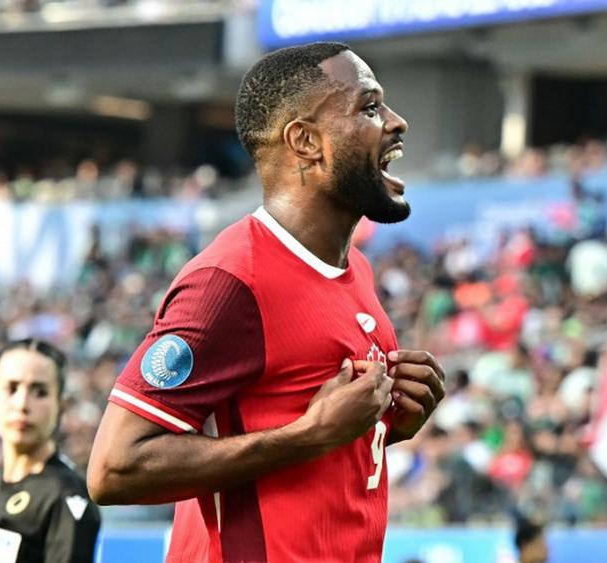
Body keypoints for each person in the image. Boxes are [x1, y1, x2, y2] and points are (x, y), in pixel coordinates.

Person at [87, 41, 445, 562]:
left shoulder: (356, 270)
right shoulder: (229, 281)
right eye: (369, 107)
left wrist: (384, 425)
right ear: (305, 141)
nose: (397, 122)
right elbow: (115, 468)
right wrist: (308, 435)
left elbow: (304, 443)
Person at [0, 339, 100, 563]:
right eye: (11, 388)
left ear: (61, 405)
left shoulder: (65, 496)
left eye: (40, 391)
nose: (22, 404)